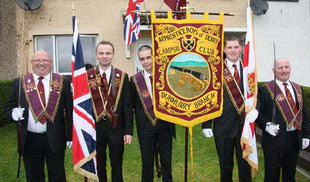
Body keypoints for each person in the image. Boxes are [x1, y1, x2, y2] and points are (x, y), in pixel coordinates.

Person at [5, 50, 73, 182]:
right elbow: (8, 106)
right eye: (37, 60)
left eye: (45, 60)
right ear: (31, 63)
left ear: (51, 63)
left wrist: (70, 135)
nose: (41, 63)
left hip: (55, 138)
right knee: (34, 176)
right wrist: (13, 113)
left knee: (57, 176)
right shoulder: (19, 83)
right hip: (29, 139)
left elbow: (69, 111)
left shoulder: (62, 82)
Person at [202, 36, 252, 182]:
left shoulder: (249, 69)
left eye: (236, 47)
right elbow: (208, 97)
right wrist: (206, 124)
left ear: (241, 48)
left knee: (245, 165)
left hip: (245, 127)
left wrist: (256, 110)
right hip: (222, 126)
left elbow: (255, 95)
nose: (233, 50)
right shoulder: (216, 71)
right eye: (229, 47)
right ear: (224, 50)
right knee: (225, 165)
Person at [257, 58, 310, 181]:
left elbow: (304, 114)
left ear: (290, 69)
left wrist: (306, 135)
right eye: (280, 67)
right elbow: (257, 114)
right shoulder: (265, 89)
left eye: (286, 67)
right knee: (272, 176)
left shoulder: (298, 88)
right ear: (273, 70)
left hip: (294, 140)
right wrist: (266, 125)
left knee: (290, 175)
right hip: (273, 140)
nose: (284, 70)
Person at [86, 41, 133, 182]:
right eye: (101, 53)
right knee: (99, 165)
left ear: (113, 55)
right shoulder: (87, 77)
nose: (104, 56)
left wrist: (128, 131)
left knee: (117, 164)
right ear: (96, 55)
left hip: (116, 127)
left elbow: (128, 106)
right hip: (95, 128)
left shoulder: (122, 76)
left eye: (108, 53)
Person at [130, 45, 175, 182]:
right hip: (145, 127)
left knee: (166, 160)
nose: (146, 61)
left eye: (148, 57)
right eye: (142, 59)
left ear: (154, 56)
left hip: (165, 125)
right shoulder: (134, 80)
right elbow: (131, 106)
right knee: (147, 162)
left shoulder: (166, 76)